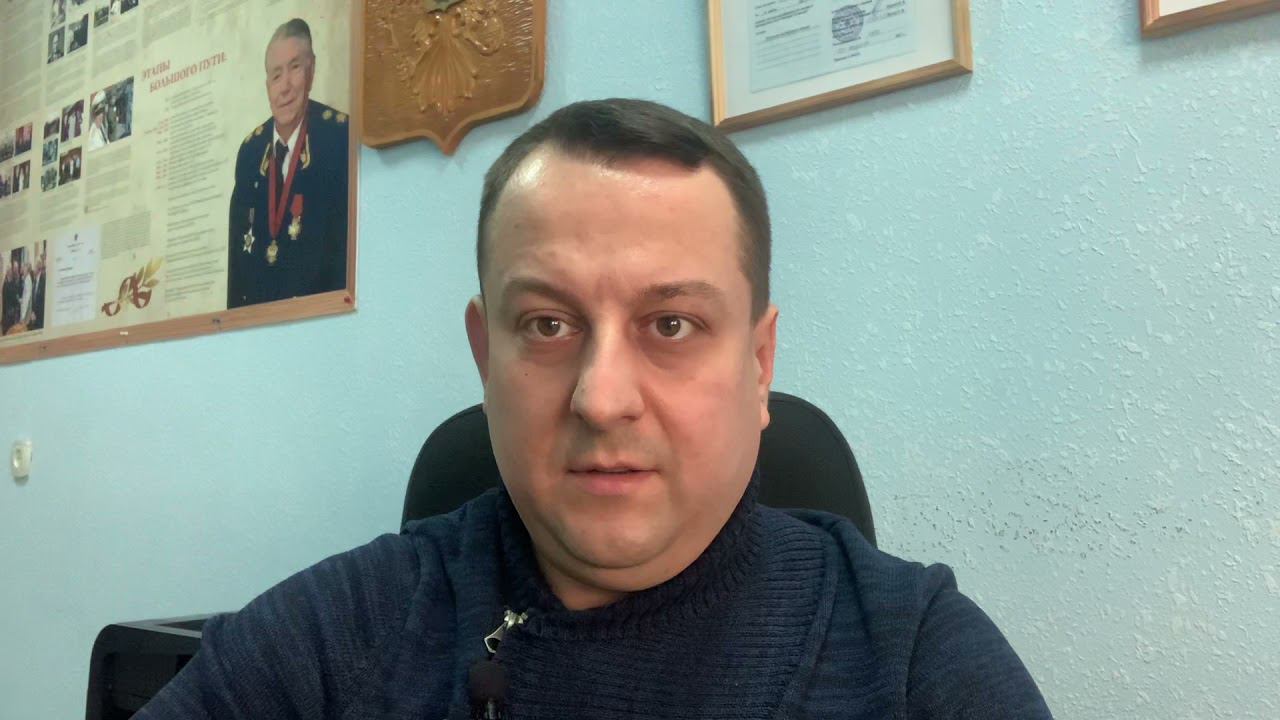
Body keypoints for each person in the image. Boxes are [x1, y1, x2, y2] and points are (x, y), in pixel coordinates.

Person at [138, 99, 1052, 718]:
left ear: (759, 363)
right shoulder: (340, 634)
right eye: (547, 324)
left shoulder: (916, 654)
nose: (602, 398)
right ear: (485, 356)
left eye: (671, 324)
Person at [225, 18, 348, 309]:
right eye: (276, 75)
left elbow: (342, 258)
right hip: (258, 324)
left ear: (311, 71)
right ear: (267, 85)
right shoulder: (251, 152)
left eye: (295, 68)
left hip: (317, 322)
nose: (285, 87)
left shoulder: (337, 139)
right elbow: (237, 268)